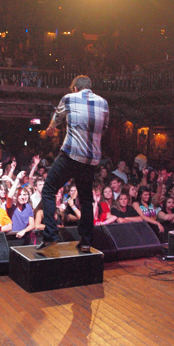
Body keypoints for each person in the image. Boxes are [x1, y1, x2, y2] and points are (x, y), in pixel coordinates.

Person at [36, 75, 109, 253]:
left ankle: (50, 237)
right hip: (91, 160)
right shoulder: (103, 103)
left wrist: (50, 129)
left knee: (48, 190)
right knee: (86, 200)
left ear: (75, 88)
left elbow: (57, 118)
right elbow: (104, 128)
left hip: (71, 155)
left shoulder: (69, 98)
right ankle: (85, 242)